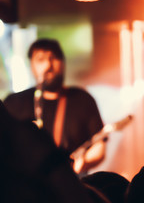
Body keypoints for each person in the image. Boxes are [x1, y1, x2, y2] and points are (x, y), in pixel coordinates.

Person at [4, 38, 104, 173]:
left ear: (63, 63)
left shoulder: (83, 99)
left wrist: (84, 162)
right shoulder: (13, 103)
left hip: (71, 186)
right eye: (40, 59)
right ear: (31, 65)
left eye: (54, 58)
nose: (48, 64)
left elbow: (99, 144)